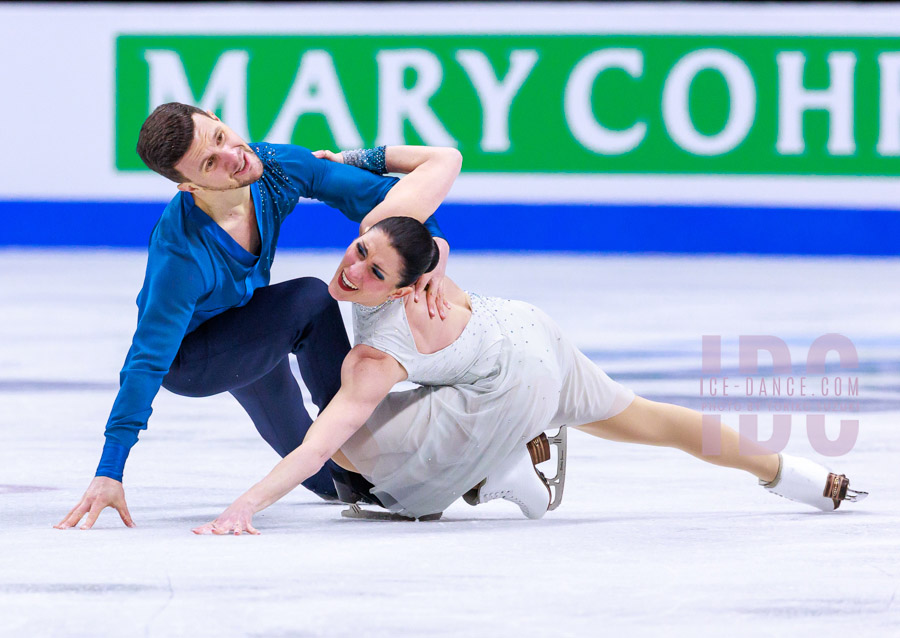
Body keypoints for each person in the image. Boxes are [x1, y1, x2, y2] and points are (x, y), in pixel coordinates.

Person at [193, 216, 866, 535]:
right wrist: (440, 252)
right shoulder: (420, 265)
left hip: (511, 386)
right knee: (655, 421)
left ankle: (499, 469)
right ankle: (803, 479)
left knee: (352, 451)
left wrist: (246, 504)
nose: (353, 269)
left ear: (404, 289)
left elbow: (315, 444)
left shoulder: (373, 356)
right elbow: (441, 170)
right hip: (528, 332)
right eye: (360, 251)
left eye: (374, 271)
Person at [55, 102, 461, 530]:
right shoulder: (182, 255)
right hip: (193, 361)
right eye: (210, 162)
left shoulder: (274, 166)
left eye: (218, 137)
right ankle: (357, 431)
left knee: (333, 480)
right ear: (189, 187)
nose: (233, 155)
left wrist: (434, 244)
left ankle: (350, 468)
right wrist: (110, 469)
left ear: (216, 117)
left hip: (250, 325)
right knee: (310, 299)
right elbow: (147, 360)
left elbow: (384, 199)